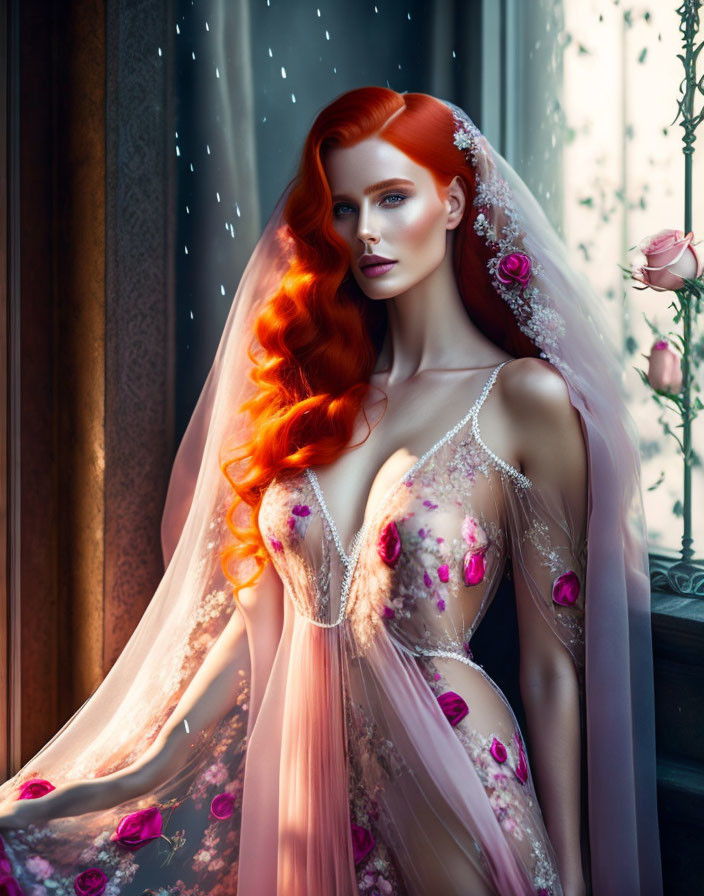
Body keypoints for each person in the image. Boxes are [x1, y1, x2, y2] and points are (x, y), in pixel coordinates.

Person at [0, 87, 662, 896]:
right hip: (305, 783)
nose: (368, 232)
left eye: (393, 198)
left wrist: (576, 872)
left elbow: (554, 669)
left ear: (452, 203)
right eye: (346, 208)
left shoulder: (523, 399)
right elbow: (259, 627)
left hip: (450, 784)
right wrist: (133, 773)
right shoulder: (321, 401)